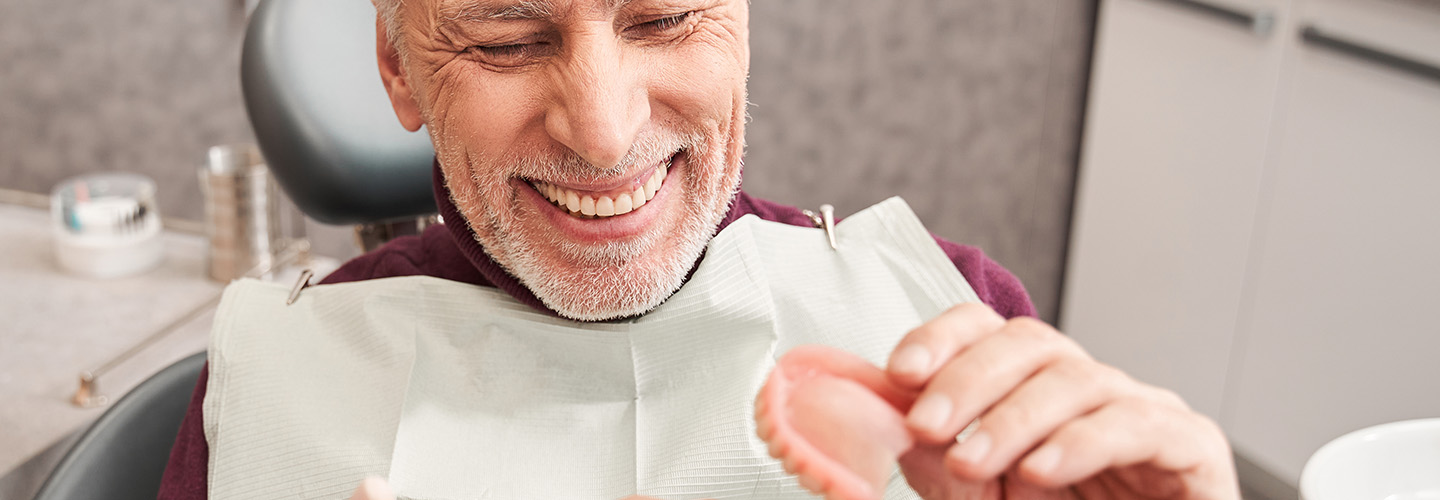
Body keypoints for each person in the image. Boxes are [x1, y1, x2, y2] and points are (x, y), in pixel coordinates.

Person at [158, 0, 1240, 498]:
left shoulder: (948, 324)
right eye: (509, 40)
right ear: (399, 70)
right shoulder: (272, 394)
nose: (606, 129)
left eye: (666, 18)